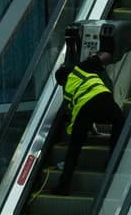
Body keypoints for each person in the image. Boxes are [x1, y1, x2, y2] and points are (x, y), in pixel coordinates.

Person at [53, 32, 124, 195]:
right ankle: (113, 160)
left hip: (85, 110)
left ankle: (63, 186)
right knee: (119, 120)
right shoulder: (83, 67)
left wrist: (88, 130)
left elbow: (76, 111)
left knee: (73, 150)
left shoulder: (67, 92)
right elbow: (106, 56)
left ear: (62, 81)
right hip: (103, 99)